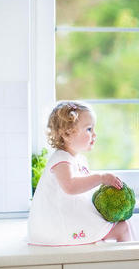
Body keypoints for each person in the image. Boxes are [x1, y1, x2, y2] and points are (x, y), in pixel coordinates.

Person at [28, 101, 132, 245]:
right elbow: (70, 186)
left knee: (123, 225)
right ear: (67, 134)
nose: (94, 134)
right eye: (89, 129)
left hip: (67, 220)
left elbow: (83, 190)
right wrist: (101, 178)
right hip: (56, 229)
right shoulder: (61, 159)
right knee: (123, 228)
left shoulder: (78, 159)